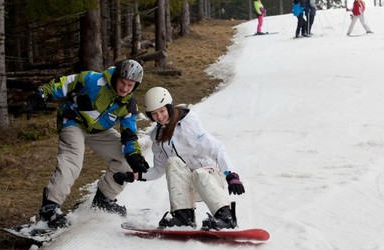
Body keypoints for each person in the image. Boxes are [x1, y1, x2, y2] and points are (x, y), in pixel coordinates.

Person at [22, 59, 150, 229]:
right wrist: (40, 96)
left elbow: (129, 133)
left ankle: (104, 199)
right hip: (73, 121)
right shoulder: (93, 80)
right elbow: (65, 84)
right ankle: (50, 208)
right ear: (116, 77)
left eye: (130, 85)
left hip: (98, 131)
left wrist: (134, 154)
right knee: (73, 159)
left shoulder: (128, 104)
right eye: (123, 82)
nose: (125, 88)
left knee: (125, 159)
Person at [113, 87, 246, 230]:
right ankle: (184, 217)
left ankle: (226, 217)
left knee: (199, 173)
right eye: (154, 114)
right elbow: (159, 169)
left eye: (162, 111)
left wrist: (231, 175)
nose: (159, 116)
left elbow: (217, 148)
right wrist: (133, 176)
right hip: (187, 186)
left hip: (209, 179)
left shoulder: (189, 124)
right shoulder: (157, 136)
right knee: (172, 161)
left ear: (169, 107)